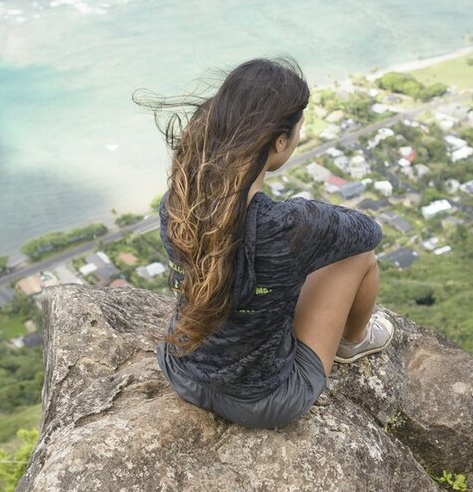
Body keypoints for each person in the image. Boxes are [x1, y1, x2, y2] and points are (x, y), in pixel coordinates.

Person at [139, 56, 394, 430]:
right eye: (298, 129)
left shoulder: (178, 201)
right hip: (265, 401)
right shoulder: (286, 226)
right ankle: (354, 341)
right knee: (359, 258)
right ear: (279, 141)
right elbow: (367, 233)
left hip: (181, 372)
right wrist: (307, 213)